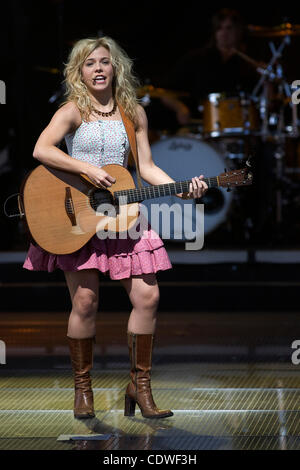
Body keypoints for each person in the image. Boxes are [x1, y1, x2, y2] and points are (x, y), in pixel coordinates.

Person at [22, 36, 208, 420]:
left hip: (125, 217)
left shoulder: (133, 112)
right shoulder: (73, 111)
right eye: (90, 63)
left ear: (116, 67)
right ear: (80, 72)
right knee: (86, 302)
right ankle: (83, 390)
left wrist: (183, 189)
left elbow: (148, 168)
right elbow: (42, 149)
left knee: (148, 297)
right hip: (81, 218)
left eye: (104, 61)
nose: (98, 68)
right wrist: (86, 168)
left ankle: (139, 388)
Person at [172, 8, 260, 117]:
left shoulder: (249, 63)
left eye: (229, 28)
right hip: (200, 126)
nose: (224, 33)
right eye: (219, 28)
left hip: (239, 124)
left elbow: (263, 101)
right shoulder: (196, 59)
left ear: (239, 31)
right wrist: (180, 108)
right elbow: (165, 91)